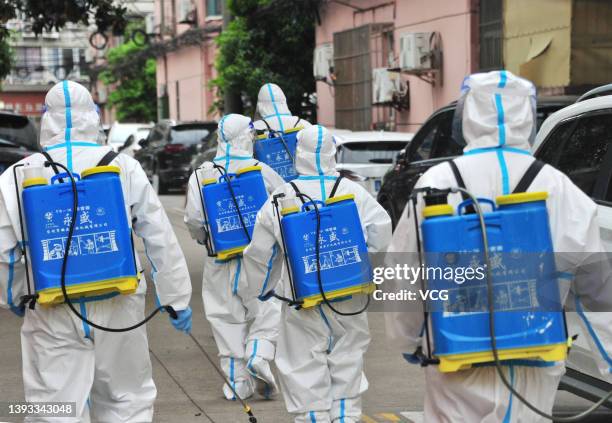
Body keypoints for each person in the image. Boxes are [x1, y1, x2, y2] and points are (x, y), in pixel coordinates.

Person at [385, 70, 612, 422]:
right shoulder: (557, 186)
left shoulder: (439, 182)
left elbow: (408, 272)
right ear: (528, 117)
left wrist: (410, 338)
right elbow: (594, 287)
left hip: (457, 351)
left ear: (467, 117)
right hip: (536, 354)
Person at [0, 80, 192, 423]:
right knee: (126, 401)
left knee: (54, 407)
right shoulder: (124, 167)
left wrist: (13, 296)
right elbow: (158, 235)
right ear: (95, 116)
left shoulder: (16, 175)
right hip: (120, 304)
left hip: (52, 308)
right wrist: (175, 297)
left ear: (47, 119)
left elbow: (5, 252)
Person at [242, 124, 392, 423]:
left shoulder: (282, 196)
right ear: (331, 154)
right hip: (349, 295)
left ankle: (312, 417)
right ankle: (346, 417)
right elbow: (381, 232)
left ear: (299, 154)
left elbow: (261, 254)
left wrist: (264, 290)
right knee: (348, 359)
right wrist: (361, 269)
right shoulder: (354, 192)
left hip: (301, 296)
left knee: (302, 365)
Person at [184, 113, 285, 400]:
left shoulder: (202, 174)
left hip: (220, 259)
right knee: (267, 308)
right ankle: (259, 353)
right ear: (246, 137)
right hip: (260, 258)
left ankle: (237, 381)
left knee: (224, 317)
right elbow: (281, 209)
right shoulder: (261, 170)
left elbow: (193, 219)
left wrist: (207, 239)